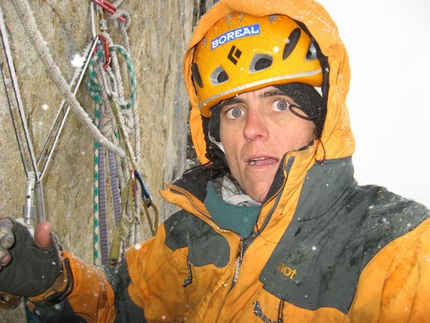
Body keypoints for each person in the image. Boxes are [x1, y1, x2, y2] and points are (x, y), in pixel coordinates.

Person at [1, 0, 430, 322]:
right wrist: (56, 282)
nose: (252, 129)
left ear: (321, 117)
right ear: (215, 136)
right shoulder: (188, 235)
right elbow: (119, 309)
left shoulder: (392, 248)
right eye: (234, 111)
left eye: (279, 103)